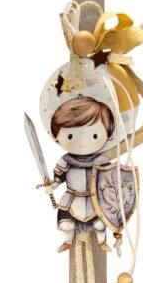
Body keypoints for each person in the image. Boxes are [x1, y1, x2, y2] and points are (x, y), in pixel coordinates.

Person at [44, 96, 115, 253]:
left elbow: (110, 182)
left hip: (94, 200)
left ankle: (101, 242)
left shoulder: (102, 162)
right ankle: (67, 242)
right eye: (70, 136)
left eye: (94, 135)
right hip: (72, 199)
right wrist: (52, 187)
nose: (83, 142)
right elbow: (59, 179)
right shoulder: (66, 161)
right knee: (66, 224)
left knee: (100, 224)